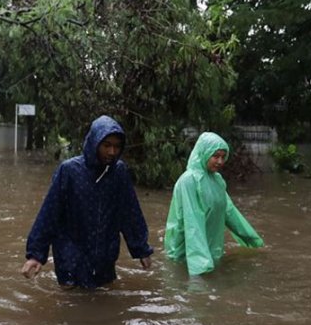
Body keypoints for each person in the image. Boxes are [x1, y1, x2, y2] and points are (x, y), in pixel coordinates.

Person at [22, 115, 153, 289]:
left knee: (104, 299)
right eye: (107, 146)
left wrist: (141, 249)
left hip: (105, 256)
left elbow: (130, 212)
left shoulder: (119, 173)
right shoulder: (69, 171)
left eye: (116, 147)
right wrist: (36, 255)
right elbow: (49, 213)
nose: (112, 152)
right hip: (70, 255)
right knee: (71, 301)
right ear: (94, 143)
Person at [164, 132, 264, 277]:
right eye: (215, 156)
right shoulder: (189, 181)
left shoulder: (217, 180)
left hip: (209, 250)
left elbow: (229, 212)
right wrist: (200, 266)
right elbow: (193, 222)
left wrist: (254, 240)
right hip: (184, 255)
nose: (220, 161)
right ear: (204, 153)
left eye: (223, 157)